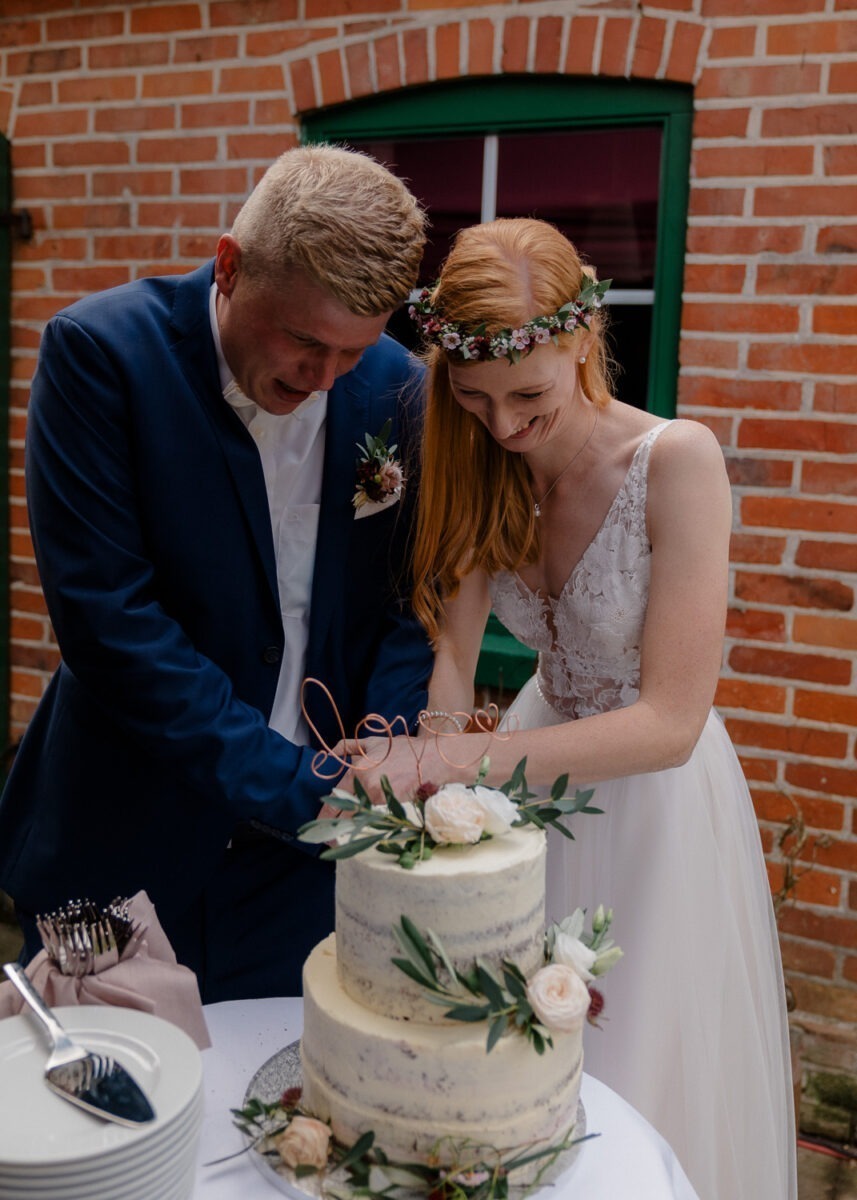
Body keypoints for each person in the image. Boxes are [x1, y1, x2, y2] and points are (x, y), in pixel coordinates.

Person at [340, 218, 797, 1200]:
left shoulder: (675, 463)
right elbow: (454, 665)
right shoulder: (470, 450)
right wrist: (434, 801)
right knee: (508, 1064)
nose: (501, 425)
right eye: (474, 399)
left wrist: (464, 768)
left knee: (626, 1057)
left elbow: (670, 723)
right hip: (522, 775)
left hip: (651, 800)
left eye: (526, 397)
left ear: (582, 343)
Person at [0, 145, 433, 1002]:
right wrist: (305, 789)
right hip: (122, 842)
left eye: (354, 350)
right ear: (229, 267)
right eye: (305, 343)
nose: (324, 380)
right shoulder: (99, 356)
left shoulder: (397, 386)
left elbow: (405, 606)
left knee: (281, 1112)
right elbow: (112, 626)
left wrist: (381, 754)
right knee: (104, 1111)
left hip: (307, 871)